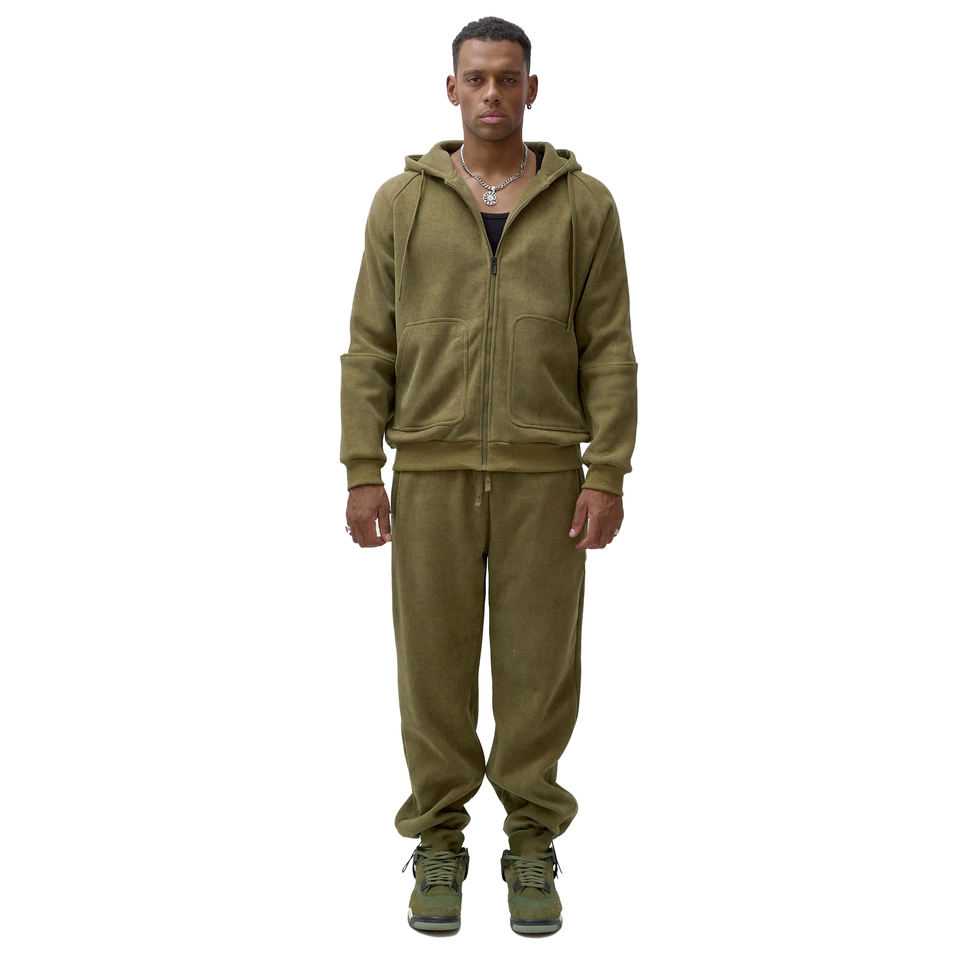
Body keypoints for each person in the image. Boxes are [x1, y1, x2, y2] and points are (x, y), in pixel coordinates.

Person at [339, 16, 638, 935]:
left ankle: (531, 839)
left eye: (509, 78)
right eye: (477, 79)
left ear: (532, 89)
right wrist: (362, 466)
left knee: (539, 672)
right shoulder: (402, 203)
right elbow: (370, 344)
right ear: (452, 90)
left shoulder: (586, 206)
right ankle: (438, 839)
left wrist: (607, 470)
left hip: (546, 476)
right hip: (427, 472)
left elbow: (610, 348)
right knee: (431, 668)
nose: (493, 94)